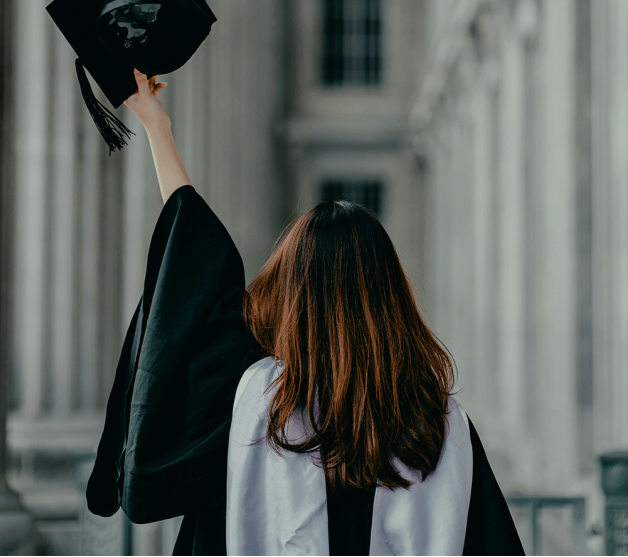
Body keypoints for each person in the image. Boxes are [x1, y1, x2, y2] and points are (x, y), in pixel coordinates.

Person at [86, 69, 525, 556]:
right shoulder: (437, 424)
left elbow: (193, 267)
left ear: (290, 292)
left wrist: (157, 126)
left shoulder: (252, 405)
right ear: (390, 297)